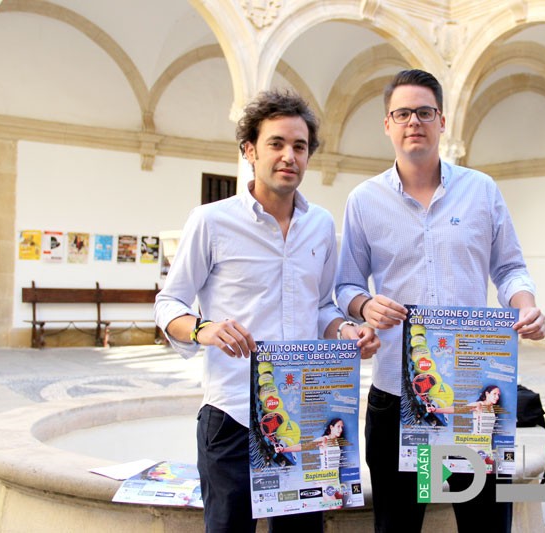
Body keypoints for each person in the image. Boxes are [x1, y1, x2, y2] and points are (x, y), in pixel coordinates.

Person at [155, 89, 379, 533]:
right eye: (276, 143)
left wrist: (345, 330)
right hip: (233, 414)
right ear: (250, 150)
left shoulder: (321, 225)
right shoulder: (211, 221)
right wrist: (203, 329)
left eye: (300, 146)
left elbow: (321, 306)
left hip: (305, 413)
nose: (289, 156)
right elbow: (168, 303)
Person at [335, 69, 545, 533]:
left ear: (442, 121)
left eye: (424, 112)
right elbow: (345, 285)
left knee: (485, 525)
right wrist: (365, 306)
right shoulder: (363, 200)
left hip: (475, 395)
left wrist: (526, 304)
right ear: (387, 124)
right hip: (397, 397)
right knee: (397, 527)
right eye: (402, 113)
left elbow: (510, 269)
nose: (414, 121)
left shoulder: (481, 190)